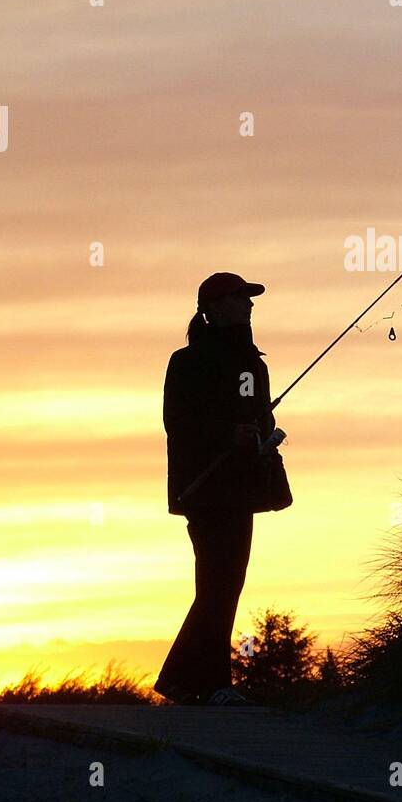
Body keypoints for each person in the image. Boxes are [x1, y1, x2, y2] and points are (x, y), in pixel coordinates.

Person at [154, 272, 276, 706]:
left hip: (241, 488)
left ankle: (187, 682)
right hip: (205, 491)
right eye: (241, 297)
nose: (249, 304)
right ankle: (208, 683)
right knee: (218, 584)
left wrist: (263, 436)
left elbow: (260, 417)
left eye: (249, 298)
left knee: (225, 583)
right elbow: (179, 423)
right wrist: (230, 434)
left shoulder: (252, 365)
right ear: (216, 307)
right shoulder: (186, 362)